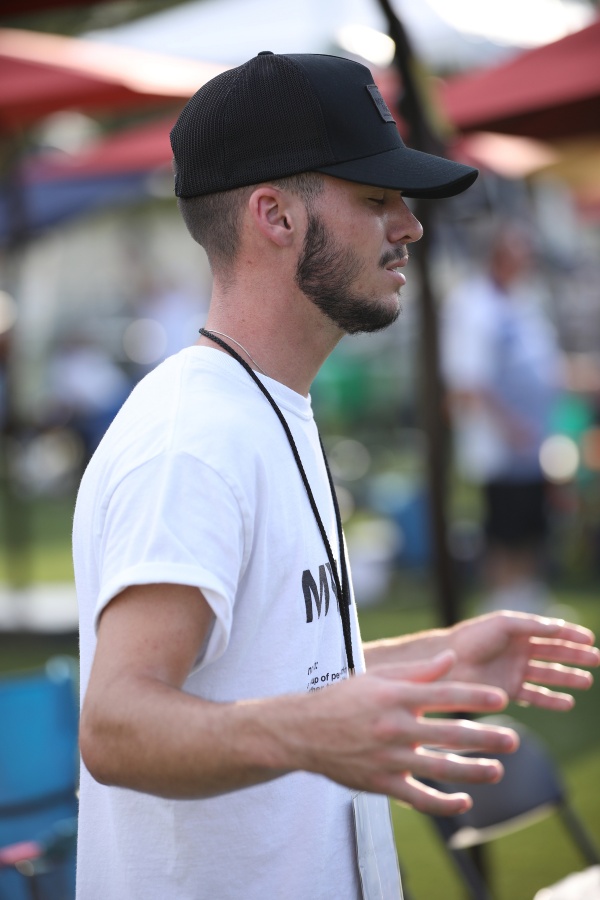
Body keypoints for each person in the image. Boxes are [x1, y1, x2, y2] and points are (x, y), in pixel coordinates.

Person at [74, 53, 598, 900]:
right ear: (275, 215)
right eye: (377, 198)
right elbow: (115, 724)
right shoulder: (191, 440)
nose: (411, 226)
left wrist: (434, 659)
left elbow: (280, 674)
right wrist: (309, 732)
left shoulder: (266, 405)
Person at [441, 221, 563, 612]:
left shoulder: (525, 300)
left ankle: (527, 595)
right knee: (503, 523)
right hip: (501, 440)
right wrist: (510, 425)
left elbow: (544, 367)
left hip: (534, 438)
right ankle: (503, 599)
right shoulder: (472, 304)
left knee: (531, 520)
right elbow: (468, 379)